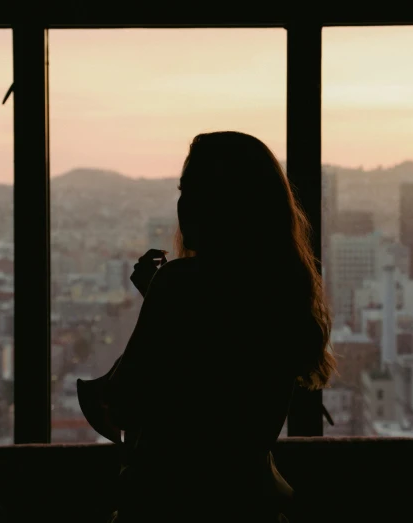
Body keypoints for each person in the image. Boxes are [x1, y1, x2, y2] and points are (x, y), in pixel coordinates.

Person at [78, 131, 335, 523]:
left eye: (194, 190)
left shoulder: (178, 284)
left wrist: (163, 301)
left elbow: (125, 402)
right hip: (254, 504)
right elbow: (229, 360)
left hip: (166, 504)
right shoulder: (281, 290)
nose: (183, 204)